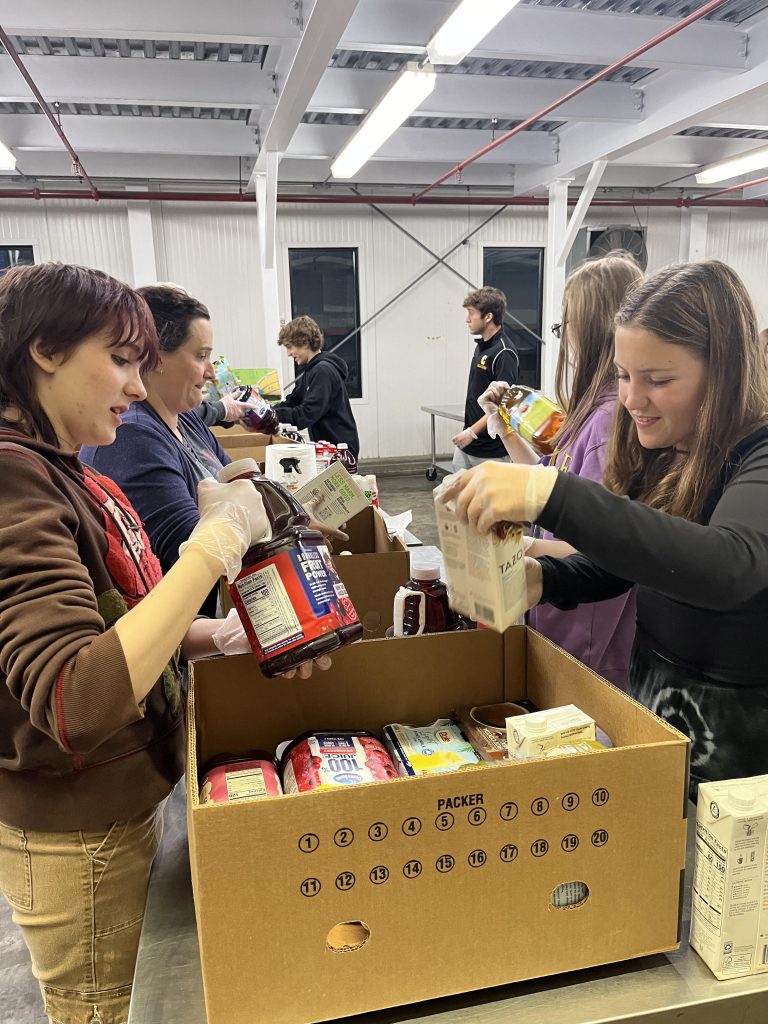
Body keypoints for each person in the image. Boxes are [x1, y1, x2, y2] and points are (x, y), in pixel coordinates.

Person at [0, 262, 302, 1024]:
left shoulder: (60, 467)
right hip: (79, 832)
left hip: (123, 802)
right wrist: (213, 544)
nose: (138, 387)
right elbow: (76, 696)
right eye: (122, 360)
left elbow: (117, 625)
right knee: (99, 1010)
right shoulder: (12, 481)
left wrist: (212, 636)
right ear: (44, 350)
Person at [442, 259, 768, 799]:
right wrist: (543, 579)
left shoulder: (757, 455)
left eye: (658, 380)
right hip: (656, 725)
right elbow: (638, 559)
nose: (634, 400)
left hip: (738, 764)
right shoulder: (670, 450)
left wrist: (550, 494)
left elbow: (727, 566)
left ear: (725, 372)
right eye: (623, 375)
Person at [477, 253, 644, 689]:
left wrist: (522, 545)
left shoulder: (610, 423)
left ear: (588, 328)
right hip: (555, 606)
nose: (563, 336)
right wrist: (507, 429)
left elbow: (595, 549)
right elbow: (549, 489)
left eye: (565, 324)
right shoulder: (589, 411)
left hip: (583, 626)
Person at [81, 284, 230, 616]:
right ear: (158, 357)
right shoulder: (132, 436)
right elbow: (196, 548)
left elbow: (241, 480)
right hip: (191, 625)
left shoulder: (186, 419)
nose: (210, 372)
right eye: (201, 356)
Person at [271, 315, 359, 458]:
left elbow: (306, 413)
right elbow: (294, 400)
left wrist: (272, 416)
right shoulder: (311, 370)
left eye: (289, 347)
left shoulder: (322, 371)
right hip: (327, 448)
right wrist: (266, 410)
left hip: (339, 450)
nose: (288, 353)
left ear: (304, 343)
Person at [452, 286, 519, 470]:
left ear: (488, 317)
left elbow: (503, 404)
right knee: (457, 495)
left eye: (471, 313)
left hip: (491, 451)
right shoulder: (482, 347)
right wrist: (469, 433)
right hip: (469, 443)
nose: (467, 319)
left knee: (489, 499)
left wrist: (472, 432)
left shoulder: (504, 352)